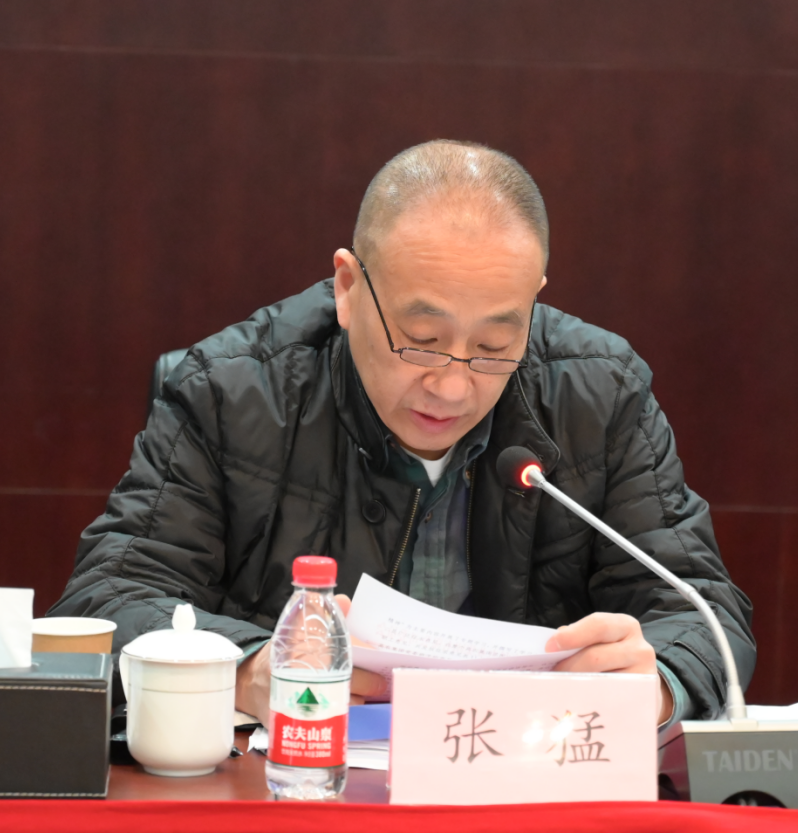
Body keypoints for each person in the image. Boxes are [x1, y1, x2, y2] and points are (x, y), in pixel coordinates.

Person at [50, 140, 754, 727]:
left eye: (493, 346)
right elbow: (104, 602)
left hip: (518, 785)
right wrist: (245, 669)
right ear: (348, 287)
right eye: (421, 340)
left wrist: (657, 685)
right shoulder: (232, 391)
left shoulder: (600, 394)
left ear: (533, 302)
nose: (452, 385)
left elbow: (703, 611)